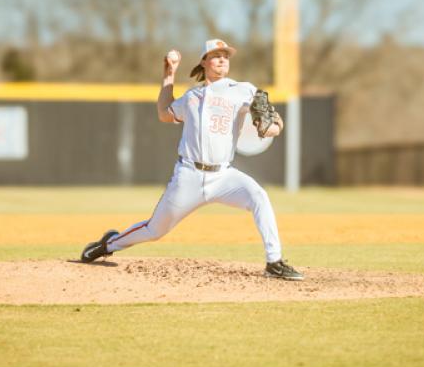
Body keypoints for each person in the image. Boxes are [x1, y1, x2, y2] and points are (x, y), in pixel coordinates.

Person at [81, 39, 303, 281]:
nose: (222, 59)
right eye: (216, 55)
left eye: (225, 56)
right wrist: (169, 74)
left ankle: (274, 262)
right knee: (155, 230)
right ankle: (109, 244)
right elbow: (164, 113)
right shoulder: (192, 96)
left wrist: (274, 126)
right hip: (189, 176)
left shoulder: (244, 90)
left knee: (259, 196)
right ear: (204, 61)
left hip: (224, 176)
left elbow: (274, 121)